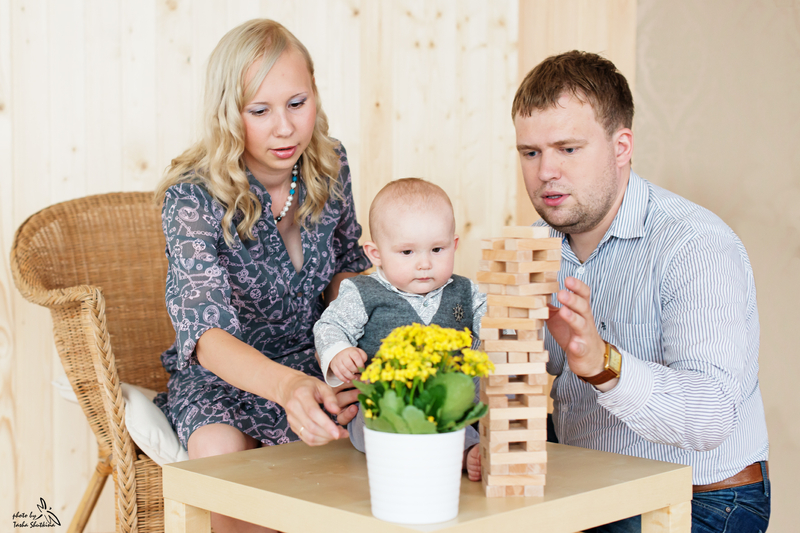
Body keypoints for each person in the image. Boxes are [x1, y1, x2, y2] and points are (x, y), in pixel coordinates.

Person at [511, 51, 770, 532]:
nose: (546, 171)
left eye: (568, 149)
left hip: (703, 496)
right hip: (591, 485)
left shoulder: (695, 245)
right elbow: (498, 367)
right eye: (531, 153)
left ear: (621, 147)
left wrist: (603, 364)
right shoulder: (531, 246)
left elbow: (712, 416)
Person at [153, 19, 370, 533]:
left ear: (314, 94)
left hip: (313, 363)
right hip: (227, 375)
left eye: (297, 103)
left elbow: (346, 265)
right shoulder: (191, 196)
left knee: (372, 434)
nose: (285, 127)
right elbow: (206, 336)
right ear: (228, 113)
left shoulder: (331, 163)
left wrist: (354, 337)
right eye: (259, 110)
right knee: (217, 449)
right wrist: (288, 387)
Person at [313, 178, 485, 481]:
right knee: (379, 411)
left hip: (453, 395)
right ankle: (462, 450)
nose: (424, 264)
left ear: (454, 245)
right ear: (376, 253)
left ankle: (485, 441)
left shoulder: (464, 290)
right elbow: (330, 325)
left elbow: (492, 321)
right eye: (407, 252)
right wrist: (339, 353)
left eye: (437, 249)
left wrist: (500, 339)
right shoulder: (362, 291)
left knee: (490, 378)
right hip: (388, 403)